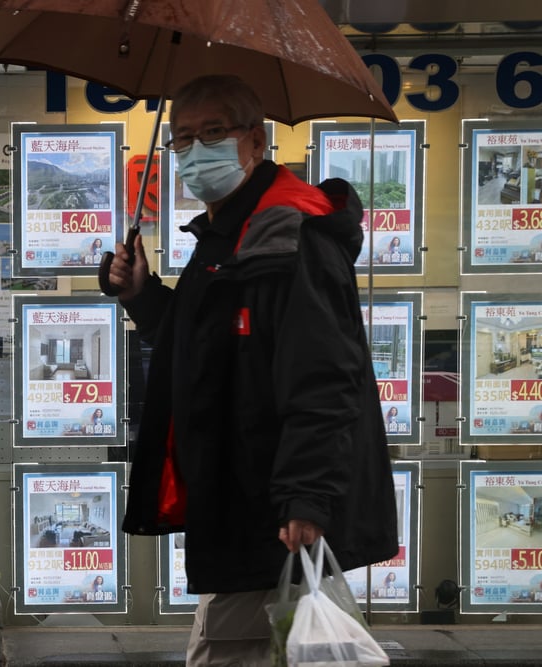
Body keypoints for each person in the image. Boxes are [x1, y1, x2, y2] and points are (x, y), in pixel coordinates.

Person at [107, 75, 397, 667]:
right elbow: (206, 352)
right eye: (183, 138)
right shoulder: (226, 234)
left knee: (227, 651)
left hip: (272, 513)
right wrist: (142, 294)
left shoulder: (285, 234)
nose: (195, 150)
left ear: (256, 140)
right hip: (239, 505)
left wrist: (306, 499)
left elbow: (325, 376)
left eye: (213, 132)